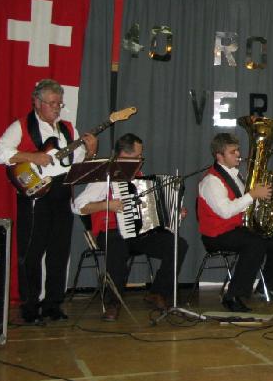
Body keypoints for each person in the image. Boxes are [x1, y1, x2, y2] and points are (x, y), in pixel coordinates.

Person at [0, 79, 97, 324]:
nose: (57, 108)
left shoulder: (68, 129)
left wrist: (91, 151)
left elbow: (79, 163)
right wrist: (31, 157)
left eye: (59, 104)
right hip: (35, 198)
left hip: (62, 195)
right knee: (31, 252)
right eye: (52, 103)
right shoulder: (21, 126)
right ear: (37, 103)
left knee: (59, 253)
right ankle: (30, 305)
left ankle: (53, 304)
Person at [72, 133, 189, 321]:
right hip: (110, 231)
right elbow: (77, 205)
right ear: (123, 155)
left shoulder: (140, 178)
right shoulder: (105, 176)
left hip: (138, 234)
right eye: (138, 156)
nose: (141, 160)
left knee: (177, 245)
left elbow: (151, 213)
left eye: (141, 156)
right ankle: (113, 302)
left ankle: (157, 292)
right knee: (117, 244)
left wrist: (173, 213)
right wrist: (107, 205)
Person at [197, 132, 273, 312]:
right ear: (219, 156)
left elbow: (248, 203)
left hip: (237, 228)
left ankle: (268, 288)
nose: (238, 154)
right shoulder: (211, 181)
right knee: (255, 243)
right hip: (216, 234)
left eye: (238, 150)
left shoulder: (237, 176)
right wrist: (253, 194)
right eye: (233, 152)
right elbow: (226, 211)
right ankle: (233, 296)